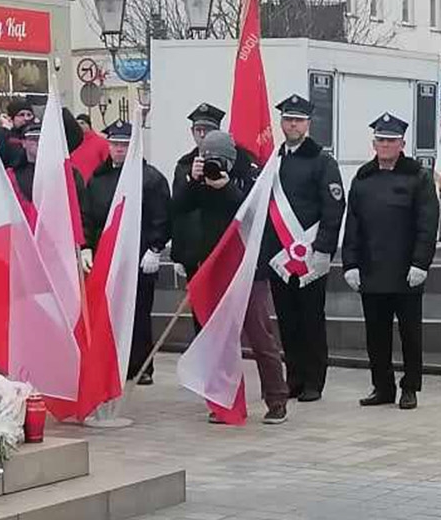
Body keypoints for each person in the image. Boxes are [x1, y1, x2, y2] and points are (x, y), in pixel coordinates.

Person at [170, 130, 292, 424]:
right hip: (215, 266)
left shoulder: (250, 175)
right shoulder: (197, 177)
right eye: (207, 159)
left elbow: (251, 212)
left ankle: (276, 400)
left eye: (218, 160)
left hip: (249, 268)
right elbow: (178, 208)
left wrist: (225, 187)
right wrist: (192, 181)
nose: (214, 166)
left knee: (260, 337)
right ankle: (222, 400)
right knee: (220, 339)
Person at [339, 114, 439, 410]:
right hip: (371, 269)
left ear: (402, 144)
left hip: (407, 270)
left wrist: (421, 263)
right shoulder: (363, 177)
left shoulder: (418, 176)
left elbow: (427, 223)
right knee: (376, 334)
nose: (385, 145)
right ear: (374, 144)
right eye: (380, 140)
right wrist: (350, 264)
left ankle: (410, 387)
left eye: (390, 141)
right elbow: (353, 223)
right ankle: (382, 386)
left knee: (410, 332)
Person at [266, 95, 347, 402]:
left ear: (308, 124)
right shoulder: (274, 160)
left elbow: (334, 207)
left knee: (311, 319)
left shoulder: (323, 161)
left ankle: (314, 381)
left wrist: (324, 249)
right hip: (279, 257)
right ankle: (294, 378)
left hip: (311, 255)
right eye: (288, 119)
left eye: (298, 120)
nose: (292, 124)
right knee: (287, 320)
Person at [81, 119, 172, 383]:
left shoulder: (150, 178)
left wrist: (156, 247)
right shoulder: (97, 179)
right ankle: (113, 364)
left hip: (140, 255)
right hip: (106, 256)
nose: (119, 150)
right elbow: (87, 215)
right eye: (115, 144)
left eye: (124, 144)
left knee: (139, 314)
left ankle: (141, 368)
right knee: (109, 312)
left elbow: (161, 216)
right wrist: (86, 246)